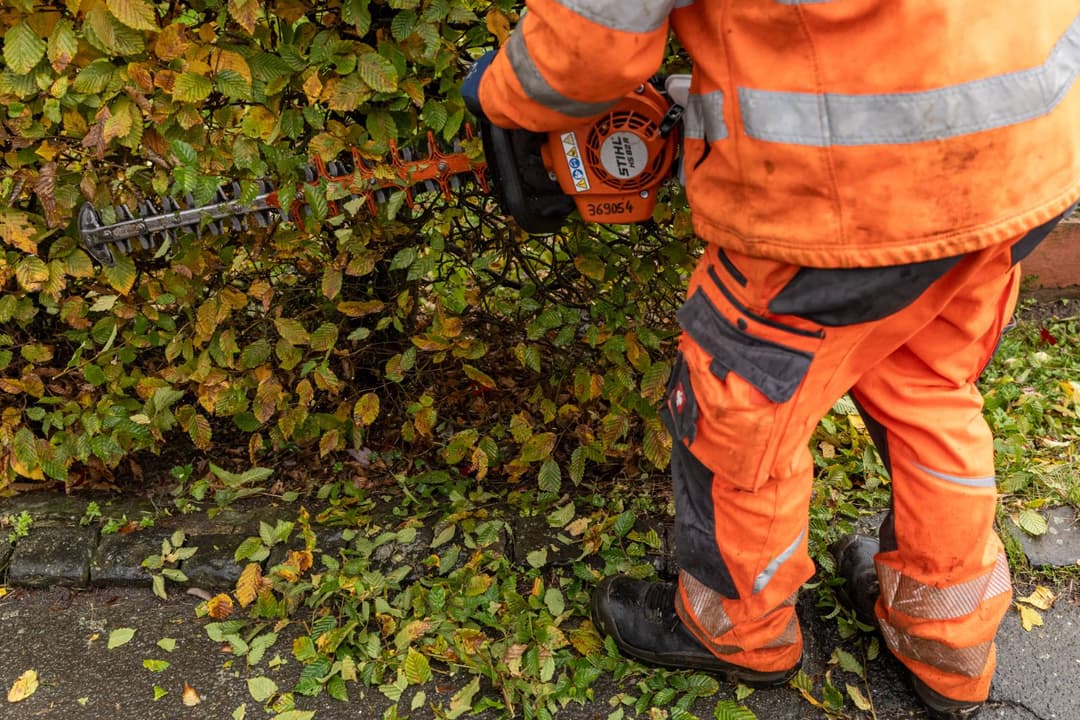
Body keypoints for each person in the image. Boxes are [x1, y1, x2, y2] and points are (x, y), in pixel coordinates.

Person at [461, 3, 1080, 718]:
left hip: (851, 189)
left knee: (739, 396)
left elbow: (587, 45)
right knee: (925, 384)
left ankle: (736, 628)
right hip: (1026, 151)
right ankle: (947, 641)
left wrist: (502, 95)